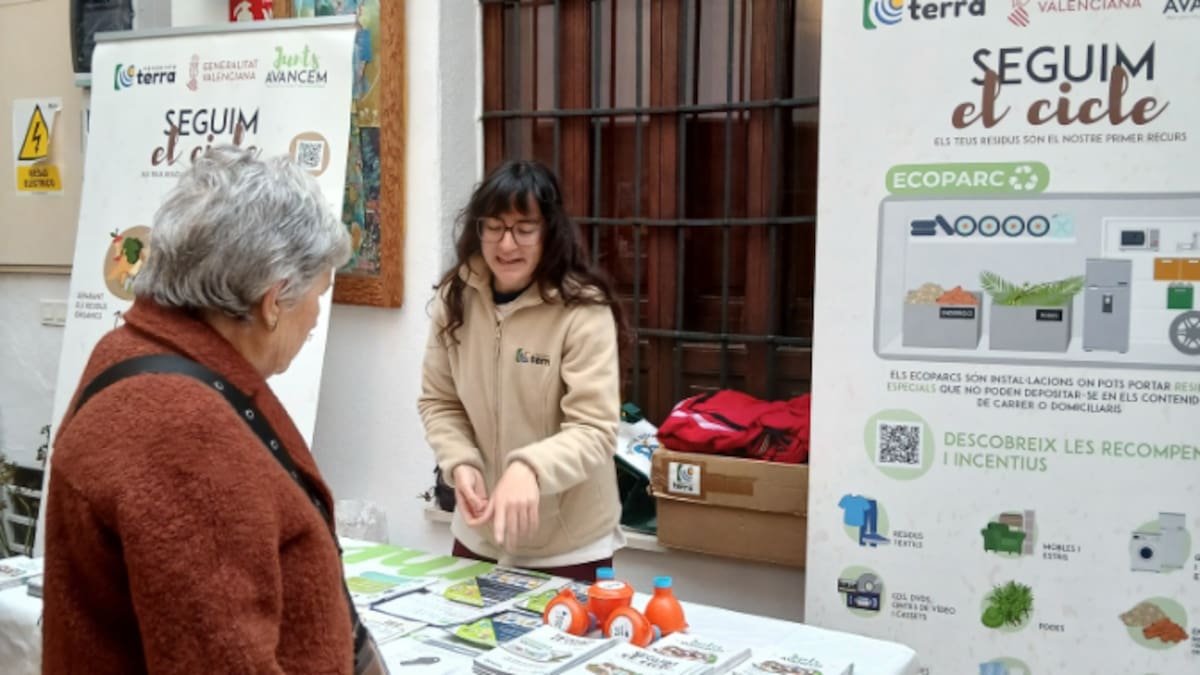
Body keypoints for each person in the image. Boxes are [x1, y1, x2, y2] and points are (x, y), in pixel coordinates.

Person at [42, 146, 382, 674]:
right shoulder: (181, 429)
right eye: (320, 292)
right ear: (273, 301)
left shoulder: (137, 352)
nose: (318, 316)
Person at [419, 159, 627, 582]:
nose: (507, 243)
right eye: (494, 227)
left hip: (567, 542)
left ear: (549, 231)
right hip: (478, 533)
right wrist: (460, 461)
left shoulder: (582, 309)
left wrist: (529, 468)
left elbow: (594, 428)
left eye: (524, 228)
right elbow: (439, 402)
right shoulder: (455, 298)